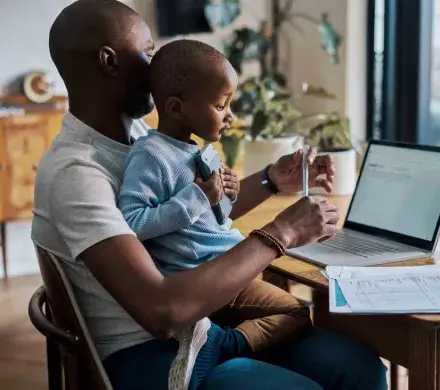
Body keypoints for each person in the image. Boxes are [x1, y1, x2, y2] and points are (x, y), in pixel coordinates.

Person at [31, 0, 387, 389]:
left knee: (360, 366)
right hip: (151, 353)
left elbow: (192, 219)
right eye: (148, 51)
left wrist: (271, 180)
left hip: (204, 325)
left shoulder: (140, 139)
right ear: (109, 61)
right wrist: (280, 234)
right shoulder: (77, 173)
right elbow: (162, 310)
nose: (156, 64)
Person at [117, 38, 313, 376]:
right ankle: (218, 345)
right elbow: (132, 223)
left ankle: (221, 342)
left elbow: (207, 219)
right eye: (221, 105)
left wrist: (227, 194)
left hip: (224, 263)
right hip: (205, 277)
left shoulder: (193, 149)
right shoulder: (150, 155)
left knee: (278, 287)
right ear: (177, 108)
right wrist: (197, 197)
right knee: (297, 312)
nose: (230, 116)